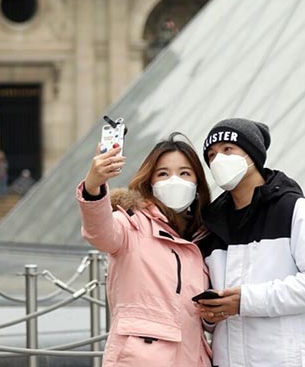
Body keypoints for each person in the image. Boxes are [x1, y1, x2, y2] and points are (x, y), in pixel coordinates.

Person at [194, 118, 305, 367]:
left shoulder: (296, 210)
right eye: (211, 154)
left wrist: (246, 301)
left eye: (228, 149)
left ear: (252, 155)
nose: (218, 159)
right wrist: (211, 313)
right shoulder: (210, 225)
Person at [77, 134, 212, 366]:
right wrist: (93, 186)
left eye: (185, 173)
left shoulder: (203, 237)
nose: (174, 180)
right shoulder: (131, 224)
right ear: (150, 181)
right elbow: (99, 232)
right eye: (163, 173)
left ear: (197, 184)